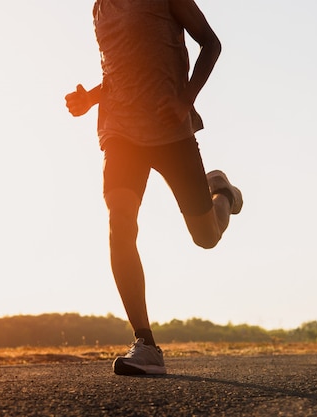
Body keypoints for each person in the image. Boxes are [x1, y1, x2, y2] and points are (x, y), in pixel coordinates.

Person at [65, 0, 243, 376]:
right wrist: (88, 100)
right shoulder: (99, 9)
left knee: (206, 237)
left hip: (169, 128)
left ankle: (221, 192)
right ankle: (145, 344)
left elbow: (211, 44)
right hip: (120, 132)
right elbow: (117, 73)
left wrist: (185, 100)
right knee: (120, 222)